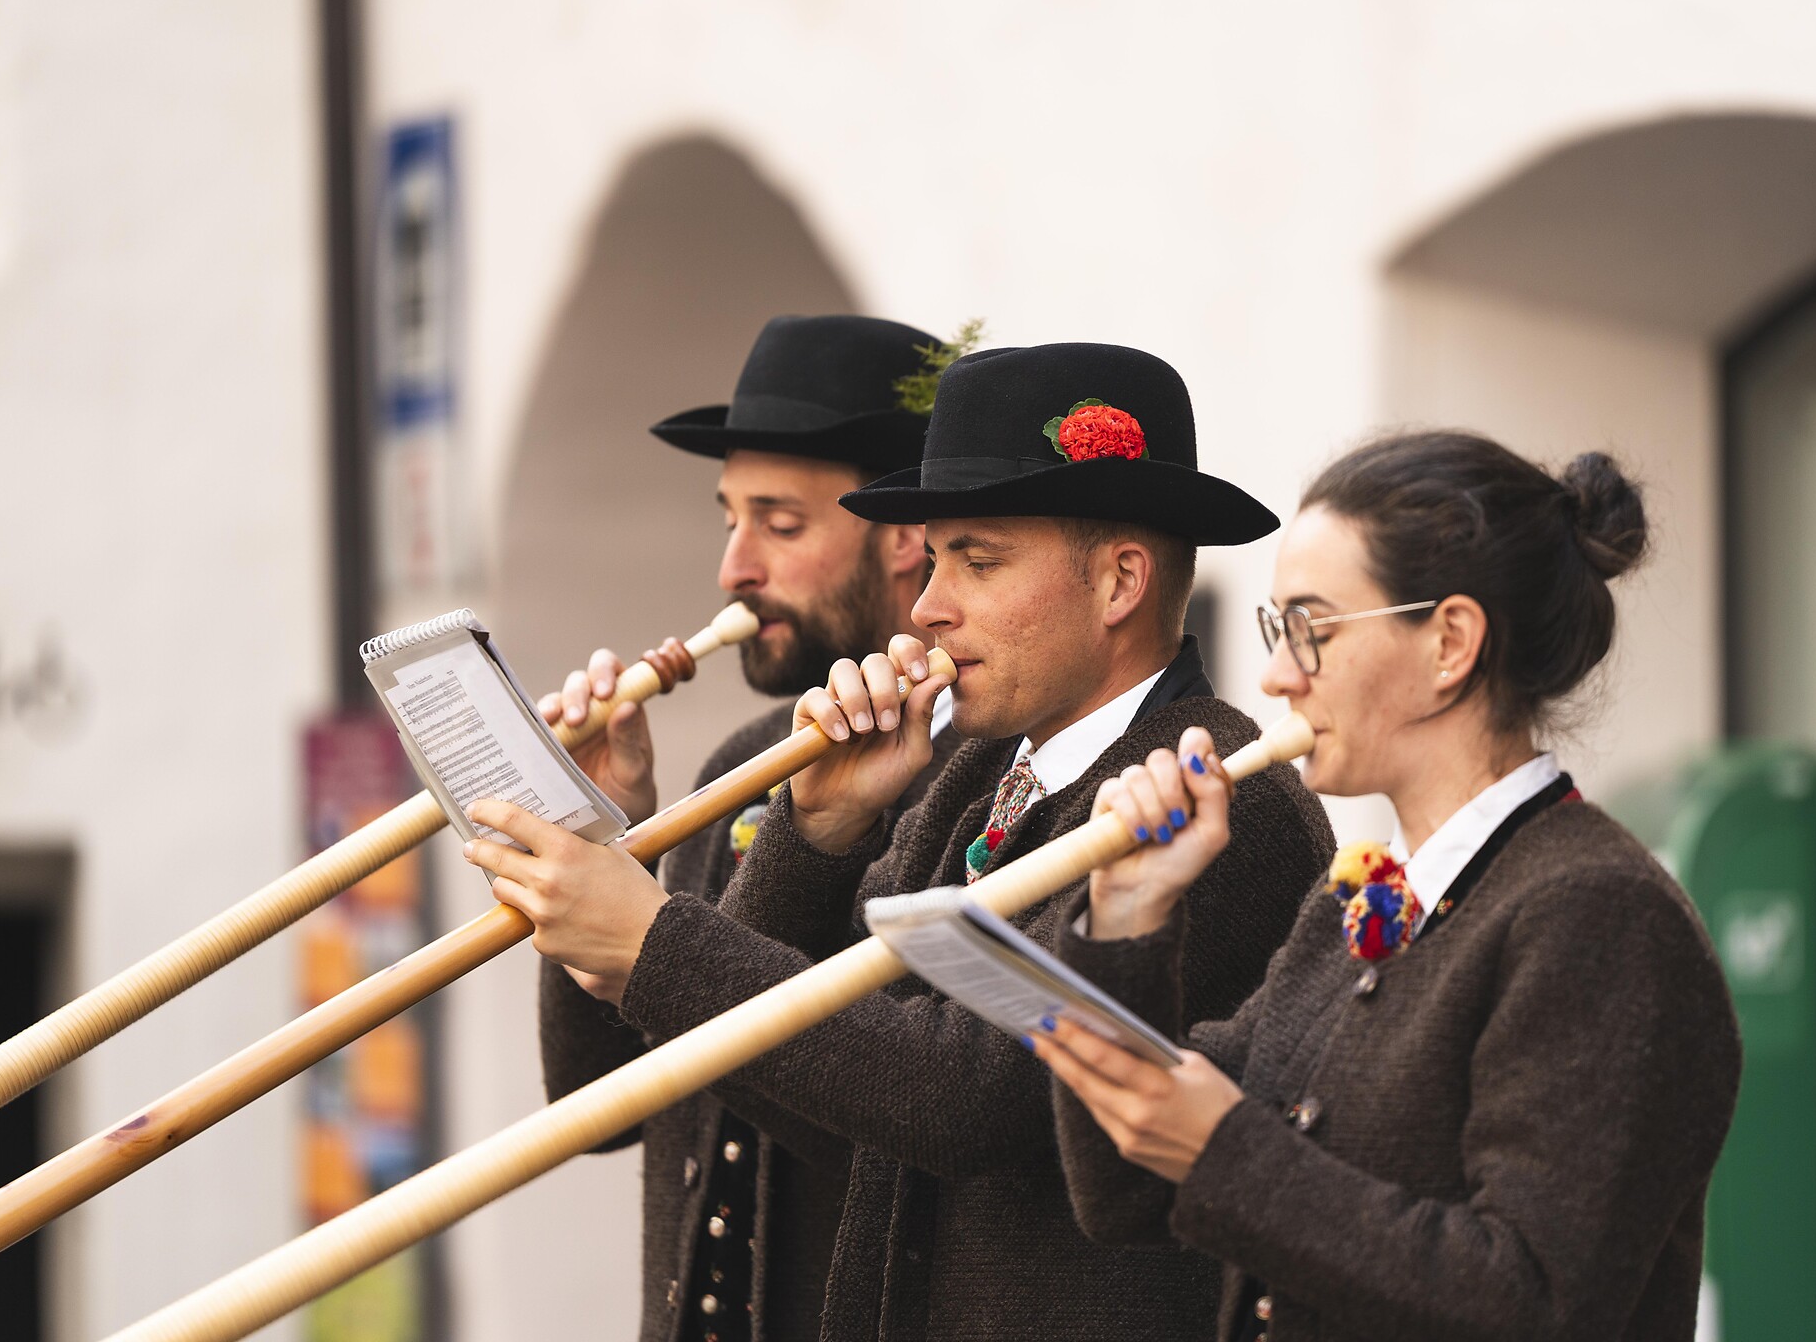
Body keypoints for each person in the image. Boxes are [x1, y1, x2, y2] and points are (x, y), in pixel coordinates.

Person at [476, 342, 1337, 1340]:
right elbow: (809, 1105)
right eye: (932, 561)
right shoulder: (980, 773)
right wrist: (817, 833)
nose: (929, 606)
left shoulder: (1224, 795)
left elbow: (975, 1100)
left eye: (977, 560)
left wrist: (654, 940)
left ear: (1120, 583)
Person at [1032, 430, 1742, 1341]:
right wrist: (1130, 916)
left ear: (1450, 642)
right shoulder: (1355, 906)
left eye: (1311, 629)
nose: (1277, 675)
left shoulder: (1598, 913)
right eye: (1274, 629)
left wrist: (1225, 1150)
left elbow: (1532, 1299)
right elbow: (1125, 1192)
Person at [533, 313, 970, 1342]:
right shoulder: (741, 762)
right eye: (730, 519)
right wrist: (603, 835)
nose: (734, 568)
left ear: (907, 534)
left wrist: (656, 934)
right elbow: (599, 1095)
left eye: (779, 525)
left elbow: (902, 1118)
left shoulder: (984, 777)